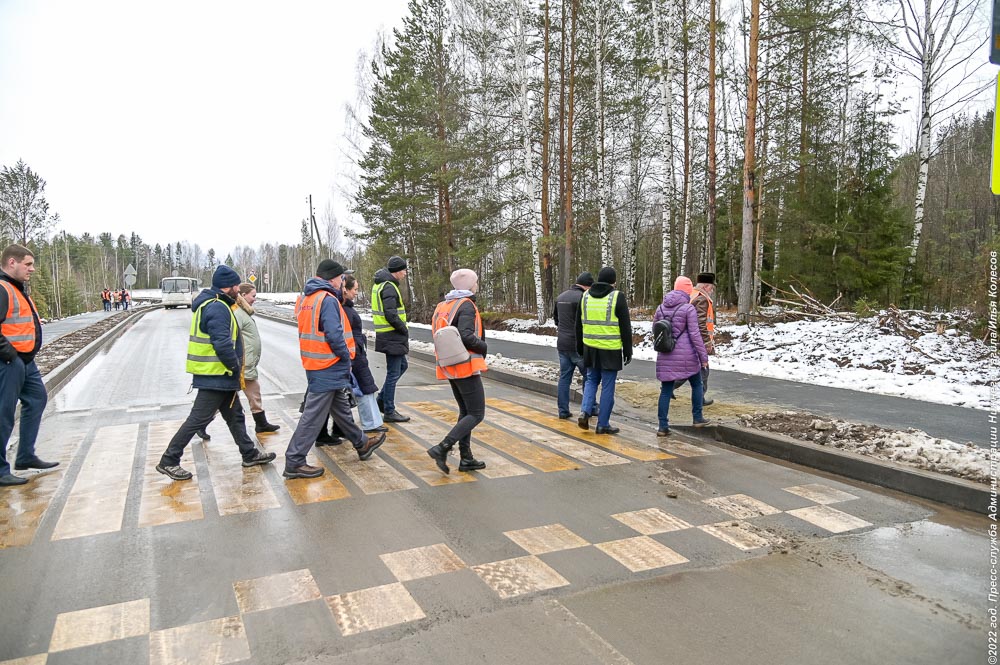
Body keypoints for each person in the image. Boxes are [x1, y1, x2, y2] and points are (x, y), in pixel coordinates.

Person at [155, 265, 276, 481]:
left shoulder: (215, 304)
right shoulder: (217, 307)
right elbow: (221, 344)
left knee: (235, 416)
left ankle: (249, 454)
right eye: (236, 286)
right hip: (216, 376)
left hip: (219, 376)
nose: (238, 290)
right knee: (197, 419)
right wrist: (234, 367)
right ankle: (169, 460)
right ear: (227, 287)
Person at [283, 260, 386, 479]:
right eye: (341, 278)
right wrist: (346, 355)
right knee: (312, 417)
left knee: (341, 409)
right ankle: (294, 460)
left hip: (316, 363)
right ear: (333, 278)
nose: (342, 281)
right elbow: (333, 334)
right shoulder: (327, 299)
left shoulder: (308, 298)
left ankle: (362, 443)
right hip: (329, 364)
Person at [0, 245, 57, 486]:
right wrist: (9, 354)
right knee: (3, 414)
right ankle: (1, 471)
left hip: (25, 361)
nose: (32, 269)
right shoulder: (2, 289)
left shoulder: (16, 288)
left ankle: (24, 456)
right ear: (12, 262)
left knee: (37, 398)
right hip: (9, 362)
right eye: (28, 264)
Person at [426, 269, 488, 474]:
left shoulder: (444, 305)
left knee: (466, 412)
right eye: (475, 281)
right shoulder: (467, 305)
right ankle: (443, 447)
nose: (477, 284)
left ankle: (466, 458)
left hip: (449, 363)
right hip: (465, 364)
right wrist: (483, 347)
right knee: (477, 413)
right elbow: (467, 336)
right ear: (469, 284)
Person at [576, 266, 632, 435]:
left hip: (590, 348)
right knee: (608, 386)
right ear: (613, 282)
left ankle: (585, 411)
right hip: (610, 350)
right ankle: (603, 424)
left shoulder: (585, 296)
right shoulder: (617, 297)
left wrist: (580, 347)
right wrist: (628, 350)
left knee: (591, 380)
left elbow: (578, 325)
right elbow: (625, 327)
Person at [654, 276, 711, 436]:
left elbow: (655, 330)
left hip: (665, 354)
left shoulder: (661, 308)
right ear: (688, 290)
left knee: (665, 391)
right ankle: (697, 418)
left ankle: (662, 426)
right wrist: (703, 357)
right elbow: (695, 335)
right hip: (687, 357)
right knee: (697, 384)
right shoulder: (688, 309)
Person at [342, 274, 386, 434]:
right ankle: (369, 423)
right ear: (345, 290)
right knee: (363, 388)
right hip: (354, 355)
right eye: (355, 289)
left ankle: (371, 422)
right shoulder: (345, 310)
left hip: (356, 352)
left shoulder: (346, 308)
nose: (356, 293)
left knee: (364, 387)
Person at [234, 282, 281, 433]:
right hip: (242, 363)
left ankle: (261, 423)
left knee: (254, 392)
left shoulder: (243, 312)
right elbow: (232, 336)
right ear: (243, 295)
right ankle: (202, 424)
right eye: (253, 296)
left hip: (246, 363)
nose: (255, 299)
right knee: (224, 398)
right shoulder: (237, 313)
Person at [553, 271, 597, 420]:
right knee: (589, 377)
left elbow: (557, 321)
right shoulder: (584, 298)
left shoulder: (560, 297)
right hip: (579, 345)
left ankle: (563, 410)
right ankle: (589, 407)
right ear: (587, 286)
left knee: (565, 377)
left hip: (562, 343)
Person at [372, 256, 411, 423]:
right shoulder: (388, 287)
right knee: (393, 373)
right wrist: (403, 329)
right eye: (403, 270)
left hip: (388, 334)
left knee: (402, 366)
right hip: (392, 334)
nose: (405, 273)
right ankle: (389, 409)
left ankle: (381, 400)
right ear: (397, 271)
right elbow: (391, 314)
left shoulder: (382, 284)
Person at [690, 272, 717, 406]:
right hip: (699, 341)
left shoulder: (693, 294)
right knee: (703, 371)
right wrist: (706, 341)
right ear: (706, 286)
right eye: (711, 288)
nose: (712, 291)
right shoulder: (702, 299)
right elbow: (701, 323)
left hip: (693, 339)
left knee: (695, 370)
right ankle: (699, 400)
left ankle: (668, 388)